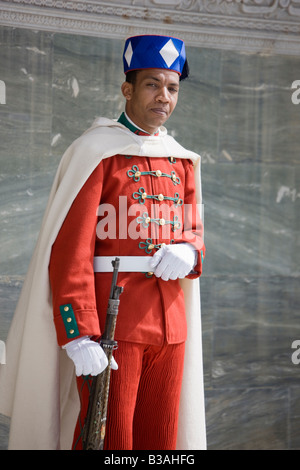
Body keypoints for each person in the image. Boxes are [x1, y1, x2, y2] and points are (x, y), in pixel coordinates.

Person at [0, 34, 206, 450]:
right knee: (109, 440)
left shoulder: (180, 159)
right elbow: (71, 249)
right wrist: (77, 333)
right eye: (152, 84)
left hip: (171, 325)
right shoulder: (96, 152)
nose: (163, 97)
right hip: (114, 326)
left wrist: (189, 250)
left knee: (162, 440)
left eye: (172, 87)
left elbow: (193, 230)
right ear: (127, 89)